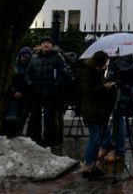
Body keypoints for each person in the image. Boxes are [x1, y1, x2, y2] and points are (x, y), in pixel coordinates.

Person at [27, 37, 73, 147]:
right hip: (36, 92)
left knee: (49, 118)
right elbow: (28, 73)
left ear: (51, 45)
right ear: (40, 45)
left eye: (48, 43)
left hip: (51, 92)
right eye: (44, 43)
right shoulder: (34, 58)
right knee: (35, 116)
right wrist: (30, 83)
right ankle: (36, 138)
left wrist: (57, 83)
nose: (46, 45)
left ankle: (48, 139)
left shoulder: (57, 57)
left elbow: (65, 71)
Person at [79, 51, 115, 179]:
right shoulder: (89, 72)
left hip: (99, 110)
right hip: (92, 110)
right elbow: (88, 91)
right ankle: (88, 165)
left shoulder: (98, 71)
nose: (106, 64)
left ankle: (93, 164)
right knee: (94, 139)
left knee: (97, 138)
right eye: (105, 61)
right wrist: (104, 87)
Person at [3, 47, 32, 137]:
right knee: (11, 116)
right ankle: (9, 133)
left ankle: (17, 132)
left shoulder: (29, 68)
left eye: (27, 57)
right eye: (23, 56)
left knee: (21, 116)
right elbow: (8, 81)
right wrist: (13, 91)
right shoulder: (13, 67)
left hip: (24, 96)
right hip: (13, 95)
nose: (25, 58)